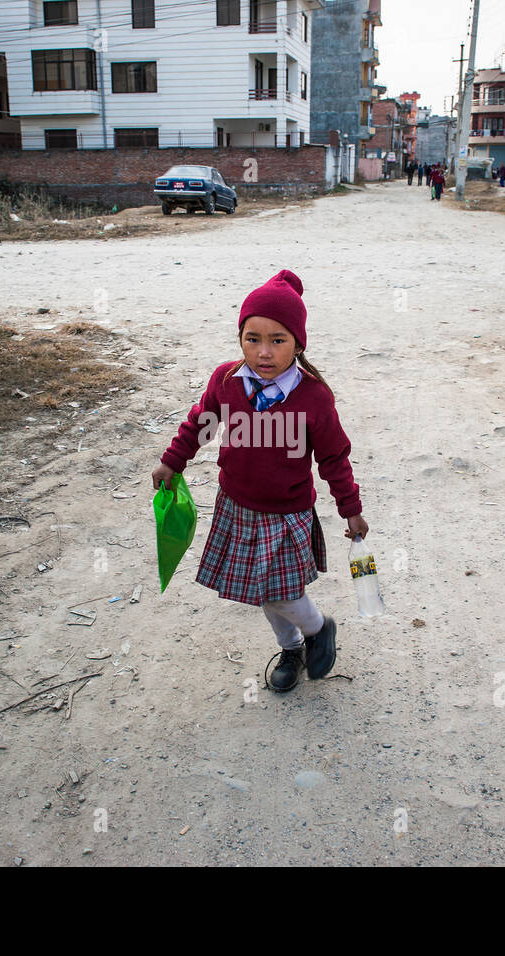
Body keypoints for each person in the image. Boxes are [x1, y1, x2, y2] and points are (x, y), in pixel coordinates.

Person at [152, 270, 369, 693]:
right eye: (253, 339)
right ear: (240, 338)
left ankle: (319, 628)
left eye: (278, 340)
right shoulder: (226, 381)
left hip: (285, 513)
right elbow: (201, 423)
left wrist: (352, 509)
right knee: (265, 593)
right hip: (238, 506)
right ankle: (292, 649)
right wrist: (173, 461)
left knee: (282, 592)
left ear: (299, 344)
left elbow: (333, 458)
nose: (264, 352)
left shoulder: (314, 397)